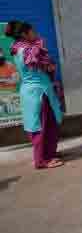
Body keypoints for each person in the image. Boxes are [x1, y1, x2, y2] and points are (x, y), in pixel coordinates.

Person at [5, 21, 64, 169]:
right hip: (38, 92)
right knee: (42, 126)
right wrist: (48, 62)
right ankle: (41, 160)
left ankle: (47, 155)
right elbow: (46, 65)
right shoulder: (29, 50)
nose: (35, 33)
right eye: (32, 31)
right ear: (24, 34)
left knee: (44, 124)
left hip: (33, 91)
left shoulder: (18, 49)